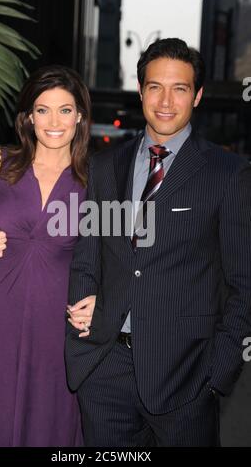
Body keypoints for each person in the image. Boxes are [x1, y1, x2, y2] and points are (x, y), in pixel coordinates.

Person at [65, 38, 251, 447]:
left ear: (197, 95)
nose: (165, 100)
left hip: (186, 379)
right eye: (155, 87)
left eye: (180, 88)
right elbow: (88, 257)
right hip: (105, 373)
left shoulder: (228, 174)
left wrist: (217, 375)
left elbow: (244, 285)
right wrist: (84, 324)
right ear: (141, 90)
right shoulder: (105, 165)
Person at [0, 65, 93, 446]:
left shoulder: (96, 180)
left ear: (80, 116)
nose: (54, 121)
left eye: (65, 110)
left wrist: (101, 300)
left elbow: (114, 262)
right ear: (28, 117)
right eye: (42, 110)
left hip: (59, 339)